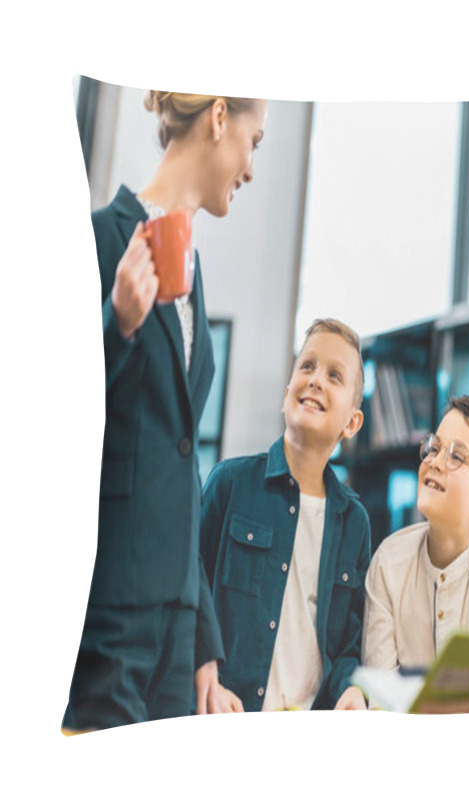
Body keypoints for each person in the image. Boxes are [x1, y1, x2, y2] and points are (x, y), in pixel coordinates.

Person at [63, 91, 268, 731]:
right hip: (106, 617)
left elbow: (183, 463)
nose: (252, 167)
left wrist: (203, 640)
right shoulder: (94, 240)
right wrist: (116, 325)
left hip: (175, 640)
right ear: (216, 117)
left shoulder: (194, 271)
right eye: (253, 141)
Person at [199, 319, 371, 712]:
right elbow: (188, 601)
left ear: (352, 423)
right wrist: (203, 677)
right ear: (286, 393)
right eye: (306, 366)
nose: (315, 381)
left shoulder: (354, 524)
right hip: (224, 716)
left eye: (334, 376)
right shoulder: (230, 483)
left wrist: (351, 688)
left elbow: (347, 645)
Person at [362, 395, 469, 673]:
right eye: (434, 448)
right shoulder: (389, 562)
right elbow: (379, 691)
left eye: (456, 457)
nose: (434, 462)